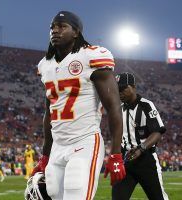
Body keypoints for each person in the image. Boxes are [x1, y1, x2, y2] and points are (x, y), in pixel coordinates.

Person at [32, 11, 126, 200]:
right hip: (58, 146)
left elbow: (114, 107)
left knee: (76, 192)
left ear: (76, 32)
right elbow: (49, 113)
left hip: (84, 142)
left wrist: (116, 154)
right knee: (52, 195)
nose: (55, 31)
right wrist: (45, 155)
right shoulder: (46, 65)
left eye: (62, 26)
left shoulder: (91, 57)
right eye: (52, 27)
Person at [113, 72, 169, 200]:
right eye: (118, 90)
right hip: (126, 161)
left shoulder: (146, 105)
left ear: (133, 86)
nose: (120, 93)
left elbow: (157, 131)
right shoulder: (119, 108)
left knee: (158, 197)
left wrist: (141, 148)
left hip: (146, 159)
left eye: (123, 89)